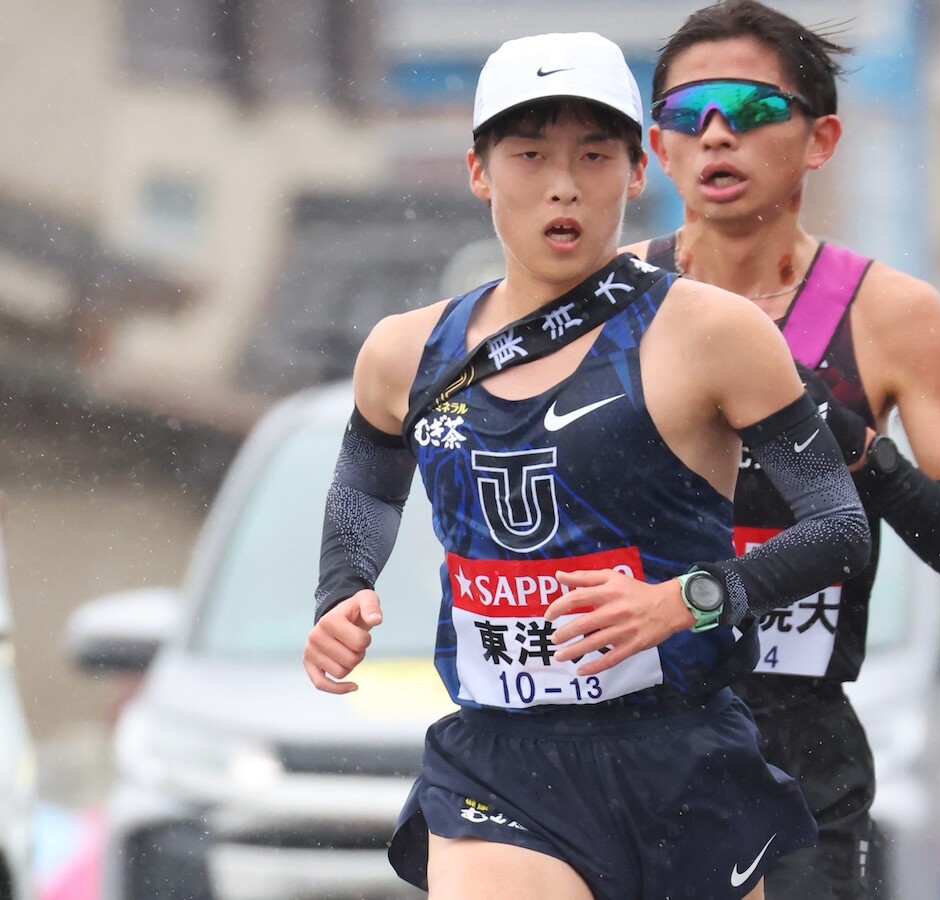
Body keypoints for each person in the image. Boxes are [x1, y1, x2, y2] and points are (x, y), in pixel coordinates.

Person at [301, 31, 871, 900]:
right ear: (479, 171)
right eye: (530, 155)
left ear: (638, 173)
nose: (563, 184)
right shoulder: (403, 352)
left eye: (595, 156)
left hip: (684, 756)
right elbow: (367, 483)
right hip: (502, 768)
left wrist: (684, 601)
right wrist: (343, 587)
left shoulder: (715, 333)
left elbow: (839, 527)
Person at [624, 2, 940, 897]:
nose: (715, 133)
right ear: (659, 148)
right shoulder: (611, 304)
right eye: (687, 113)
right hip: (633, 734)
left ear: (820, 139)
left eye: (752, 108)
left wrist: (844, 438)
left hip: (797, 749)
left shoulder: (890, 315)